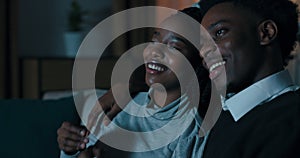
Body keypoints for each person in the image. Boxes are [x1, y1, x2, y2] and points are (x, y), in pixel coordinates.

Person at [58, 7, 211, 157]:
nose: (154, 51)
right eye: (154, 41)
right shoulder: (121, 105)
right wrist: (71, 149)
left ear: (199, 62)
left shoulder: (190, 132)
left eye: (175, 47)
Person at [198, 0, 300, 157]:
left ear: (266, 33)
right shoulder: (225, 116)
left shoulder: (290, 121)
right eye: (202, 43)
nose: (204, 51)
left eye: (219, 33)